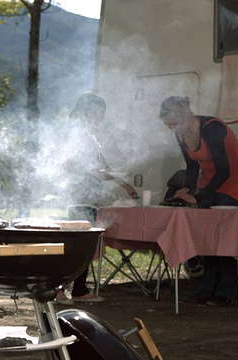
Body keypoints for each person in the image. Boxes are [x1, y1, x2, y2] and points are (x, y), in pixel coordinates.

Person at [159, 96, 238, 307]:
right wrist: (188, 188)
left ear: (182, 114)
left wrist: (198, 197)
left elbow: (225, 169)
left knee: (224, 238)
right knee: (206, 238)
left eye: (171, 123)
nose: (170, 128)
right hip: (210, 182)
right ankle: (206, 289)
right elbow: (192, 167)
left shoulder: (212, 128)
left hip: (233, 181)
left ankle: (226, 292)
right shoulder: (181, 134)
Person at [56, 92, 138, 305]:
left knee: (84, 246)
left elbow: (102, 168)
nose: (101, 118)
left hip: (87, 198)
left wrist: (124, 184)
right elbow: (70, 164)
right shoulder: (77, 134)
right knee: (77, 246)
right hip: (79, 198)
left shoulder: (88, 136)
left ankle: (79, 289)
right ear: (90, 111)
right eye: (100, 113)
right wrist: (88, 172)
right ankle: (60, 289)